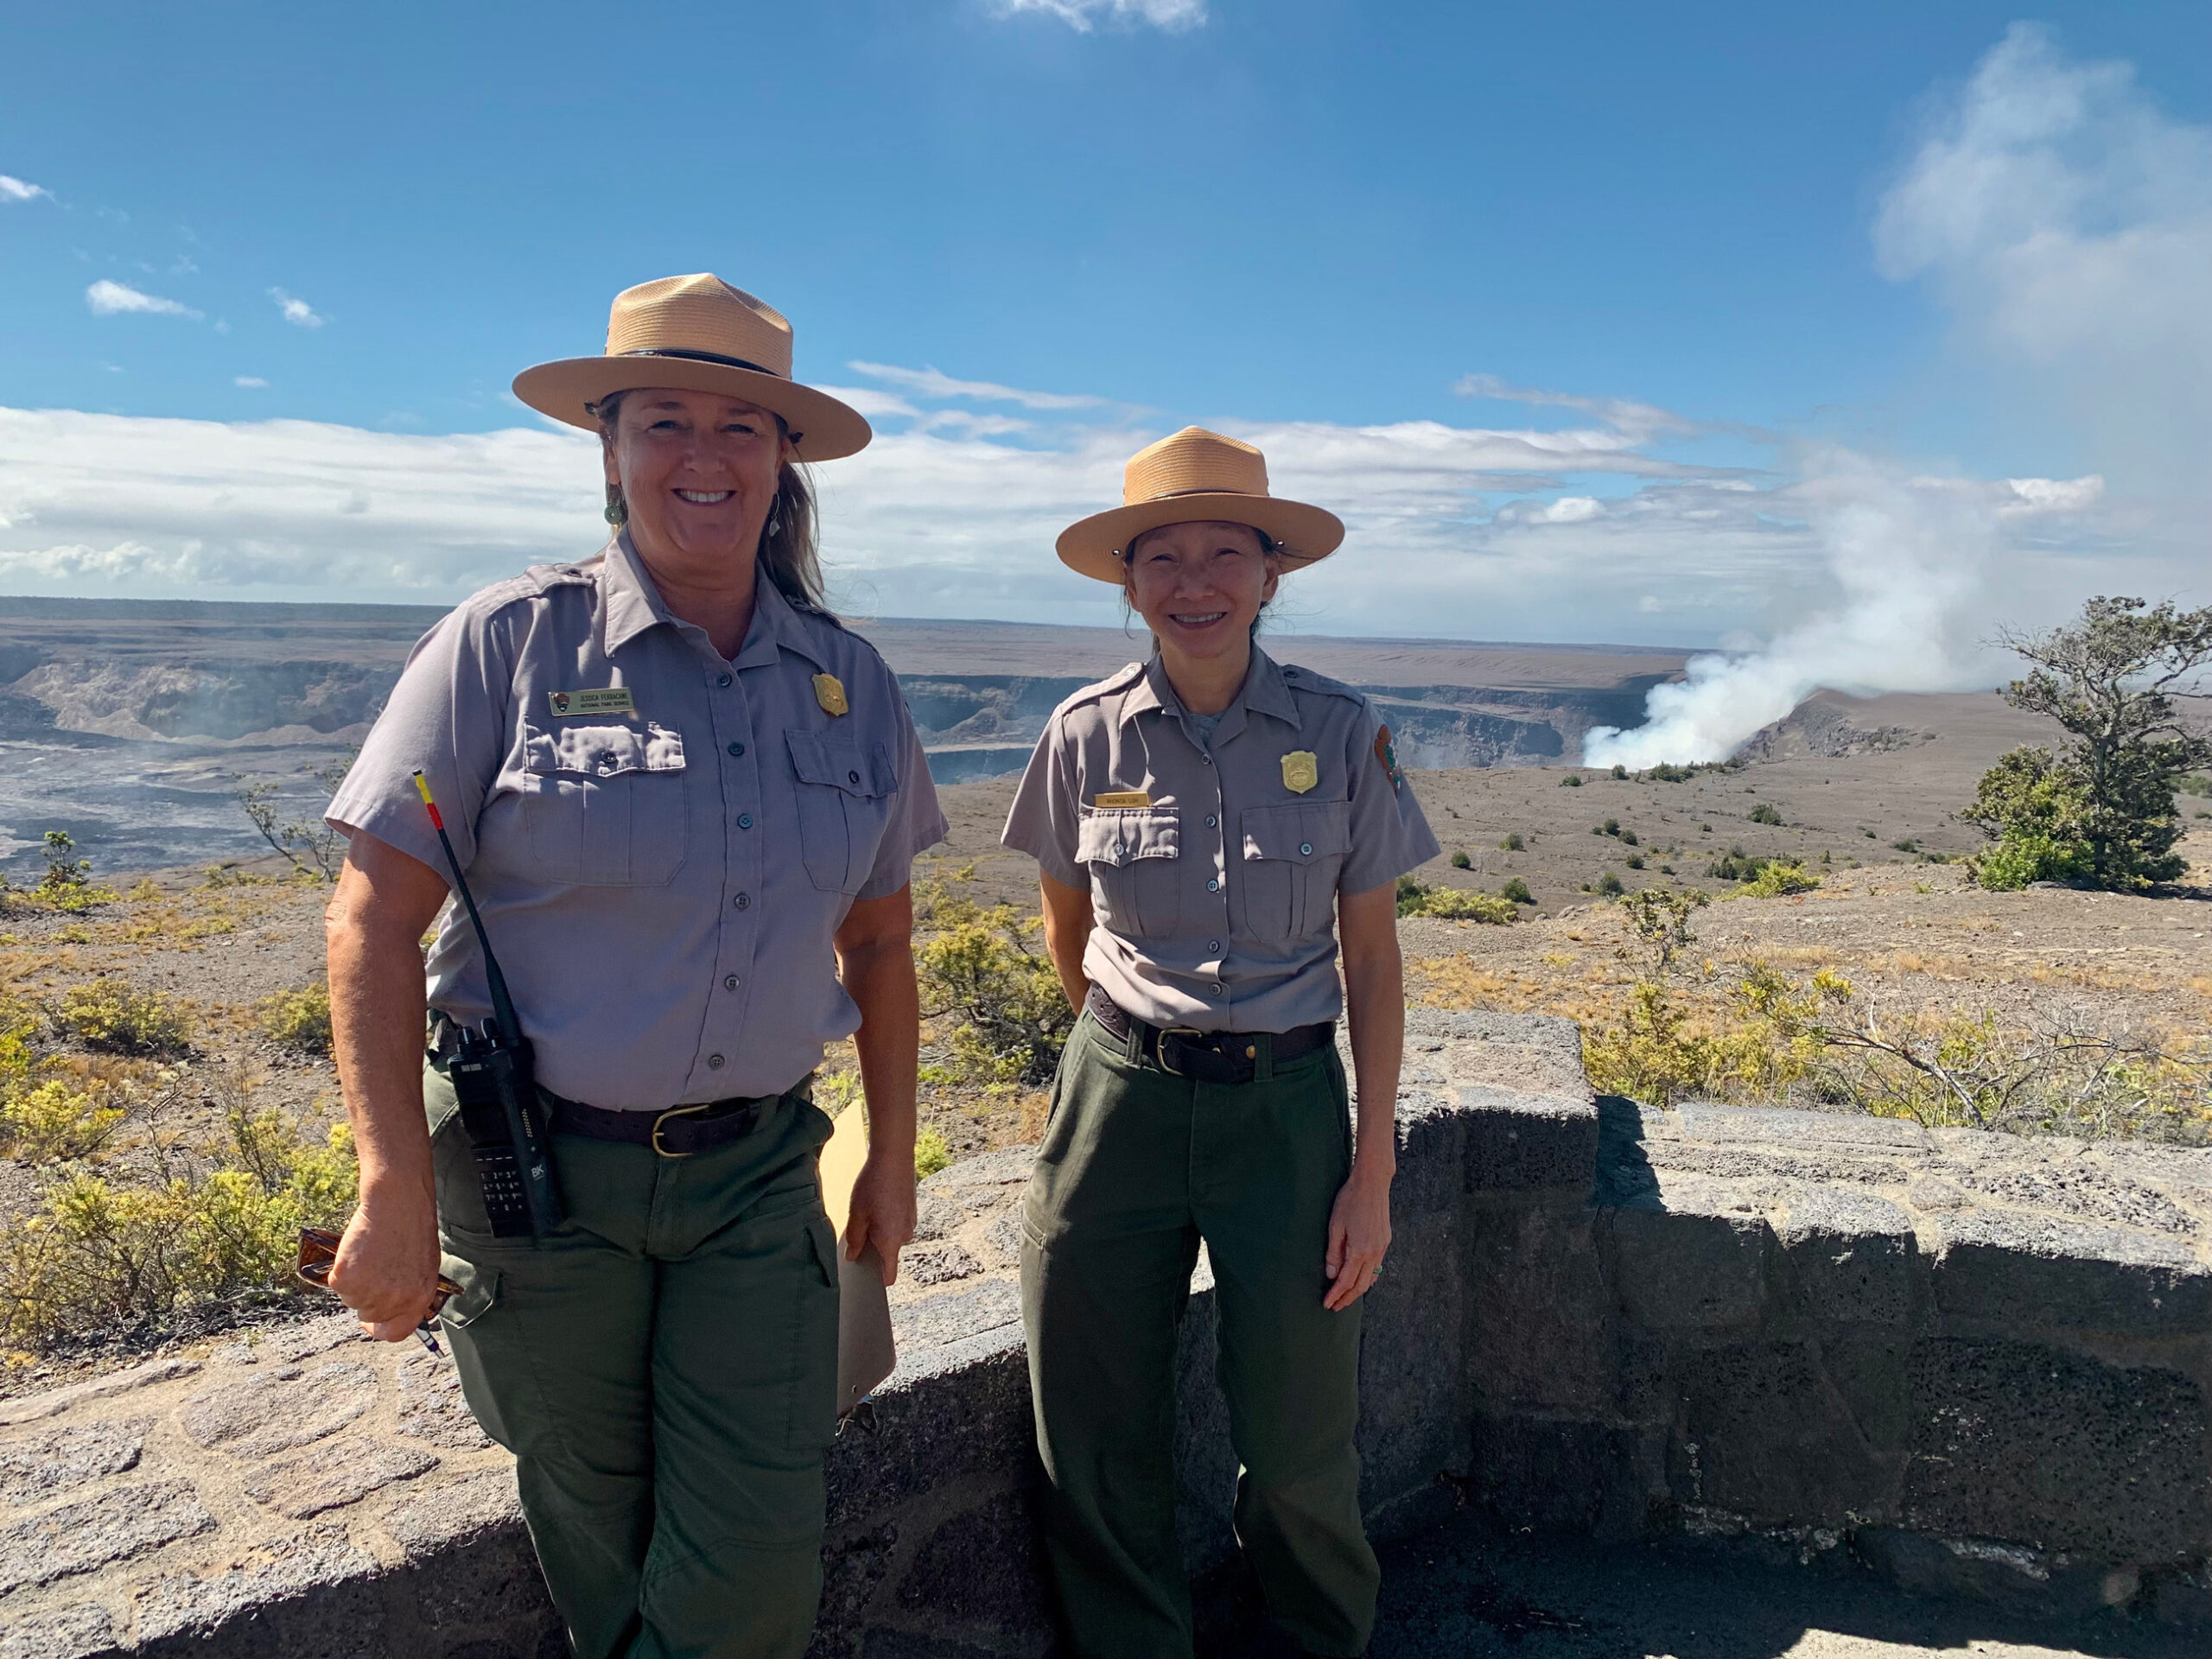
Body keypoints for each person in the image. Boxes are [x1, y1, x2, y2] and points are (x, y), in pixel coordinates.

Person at [321, 273, 944, 1659]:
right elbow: (371, 917)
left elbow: (885, 941)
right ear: (608, 444)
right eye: (666, 420)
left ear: (786, 466)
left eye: (742, 426)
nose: (704, 457)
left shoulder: (856, 685)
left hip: (755, 1181)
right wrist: (389, 1184)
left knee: (754, 1556)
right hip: (536, 1179)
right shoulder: (505, 646)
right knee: (597, 1520)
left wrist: (891, 1157)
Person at [1001, 428, 1440, 1659]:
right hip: (1117, 1099)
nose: (1195, 583)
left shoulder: (1344, 731)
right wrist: (1120, 1052)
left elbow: (1372, 962)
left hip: (1287, 1107)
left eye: (1224, 555)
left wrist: (1373, 1171)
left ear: (1270, 576)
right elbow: (1065, 926)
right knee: (1091, 1423)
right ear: (1129, 583)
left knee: (1301, 1432)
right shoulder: (1084, 735)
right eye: (1165, 558)